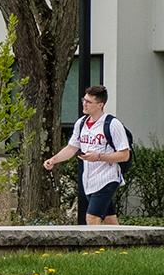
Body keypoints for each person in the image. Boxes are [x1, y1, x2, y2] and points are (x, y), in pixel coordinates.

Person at [44, 85, 132, 225]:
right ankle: (121, 246)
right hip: (89, 180)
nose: (84, 104)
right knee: (110, 220)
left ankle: (92, 248)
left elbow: (124, 154)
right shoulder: (81, 123)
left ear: (100, 105)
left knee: (91, 218)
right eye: (83, 100)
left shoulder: (113, 124)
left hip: (107, 178)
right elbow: (72, 148)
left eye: (89, 102)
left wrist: (98, 156)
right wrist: (53, 160)